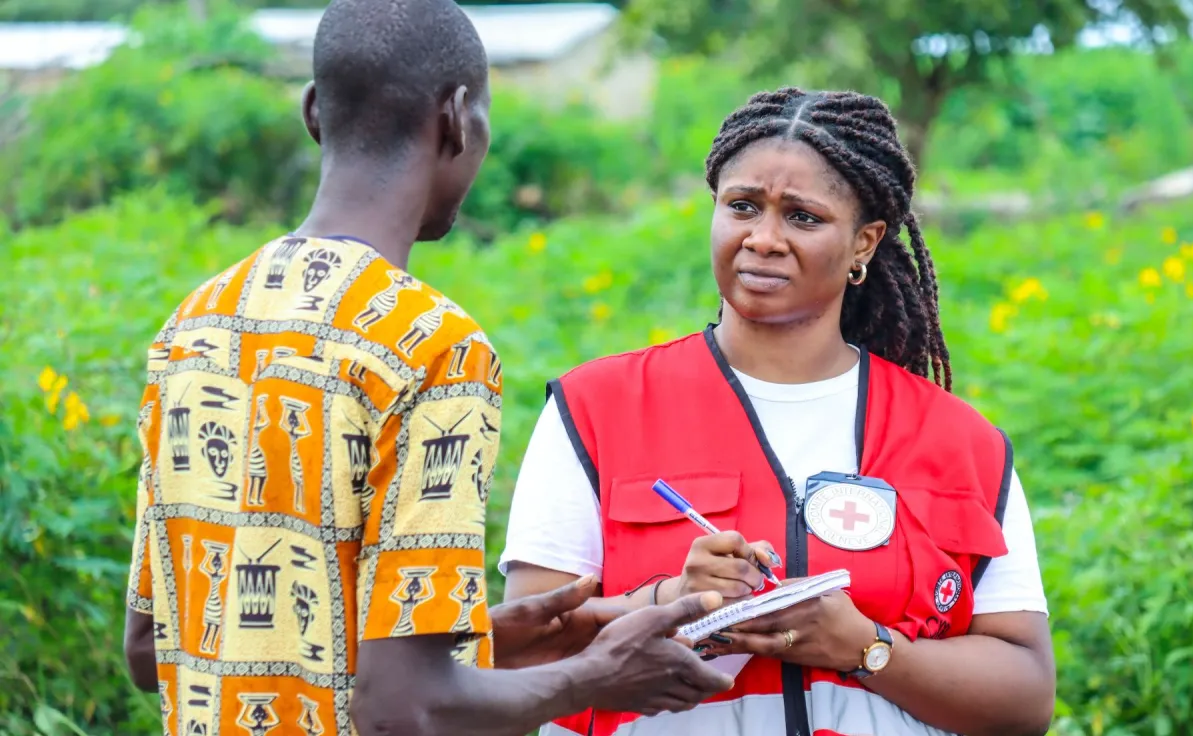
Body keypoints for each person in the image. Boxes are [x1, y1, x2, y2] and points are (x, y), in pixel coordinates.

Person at [121, 1, 735, 734]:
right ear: (456, 118)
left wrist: (481, 637)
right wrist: (594, 676)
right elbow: (403, 711)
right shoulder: (431, 345)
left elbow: (152, 645)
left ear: (315, 112)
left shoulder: (197, 321)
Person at [500, 87, 1057, 736]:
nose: (763, 239)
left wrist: (864, 647)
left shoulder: (962, 443)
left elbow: (1025, 700)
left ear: (864, 245)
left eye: (802, 217)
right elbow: (525, 660)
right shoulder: (595, 410)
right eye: (742, 207)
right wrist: (666, 602)